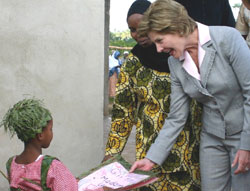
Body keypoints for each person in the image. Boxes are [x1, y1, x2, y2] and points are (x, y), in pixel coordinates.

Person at [130, 0, 250, 190]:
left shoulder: (227, 39)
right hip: (212, 138)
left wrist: (247, 145)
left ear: (177, 27)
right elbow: (176, 116)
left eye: (160, 41)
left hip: (244, 133)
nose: (159, 49)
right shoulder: (175, 63)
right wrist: (151, 159)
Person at [104, 0, 202, 190]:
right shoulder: (133, 63)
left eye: (142, 28)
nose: (137, 35)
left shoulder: (182, 54)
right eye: (132, 30)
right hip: (149, 155)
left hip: (189, 153)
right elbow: (123, 112)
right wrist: (112, 153)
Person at [0, 98, 78, 191]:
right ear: (40, 135)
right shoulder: (53, 167)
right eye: (50, 129)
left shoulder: (12, 165)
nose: (52, 133)